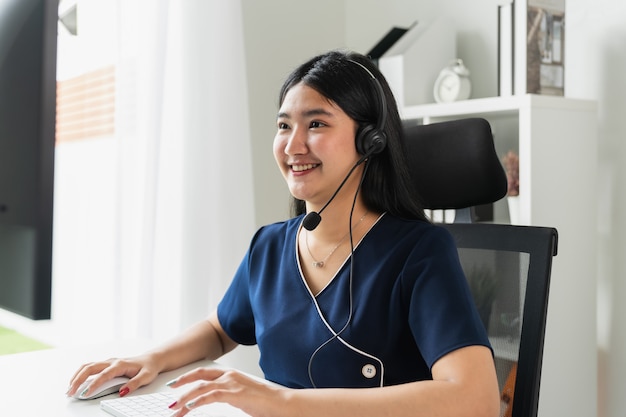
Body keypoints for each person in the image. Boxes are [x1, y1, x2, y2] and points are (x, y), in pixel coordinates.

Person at [67, 50, 500, 417]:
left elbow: (475, 397)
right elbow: (221, 330)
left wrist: (284, 401)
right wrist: (151, 359)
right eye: (283, 125)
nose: (293, 146)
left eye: (316, 124)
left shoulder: (418, 251)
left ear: (370, 141)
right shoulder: (271, 245)